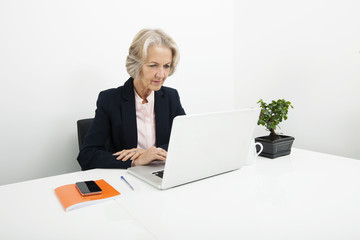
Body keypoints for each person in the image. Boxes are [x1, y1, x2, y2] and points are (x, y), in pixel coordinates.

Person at [77, 29, 185, 170]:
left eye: (166, 66)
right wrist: (135, 161)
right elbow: (87, 156)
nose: (161, 74)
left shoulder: (171, 97)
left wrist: (151, 153)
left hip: (162, 174)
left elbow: (185, 142)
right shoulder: (110, 100)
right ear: (137, 65)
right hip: (127, 180)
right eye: (153, 65)